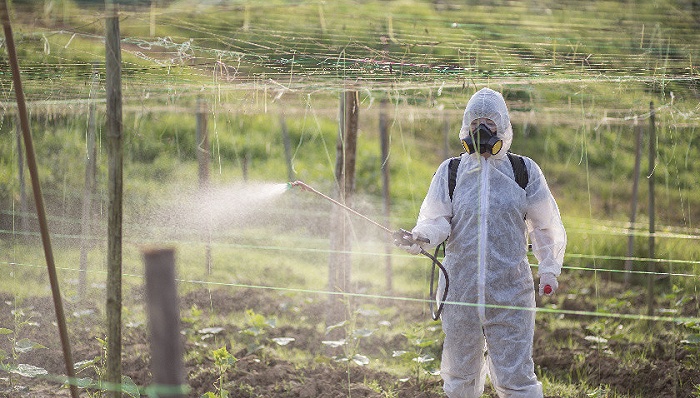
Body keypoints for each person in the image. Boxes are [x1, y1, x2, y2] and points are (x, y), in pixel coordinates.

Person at [396, 87, 566, 398]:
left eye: (488, 121)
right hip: (460, 291)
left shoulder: (523, 171)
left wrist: (549, 270)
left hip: (510, 293)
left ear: (502, 125)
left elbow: (545, 225)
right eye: (475, 123)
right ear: (465, 127)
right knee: (460, 379)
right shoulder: (452, 171)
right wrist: (420, 237)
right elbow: (436, 220)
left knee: (516, 378)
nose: (481, 130)